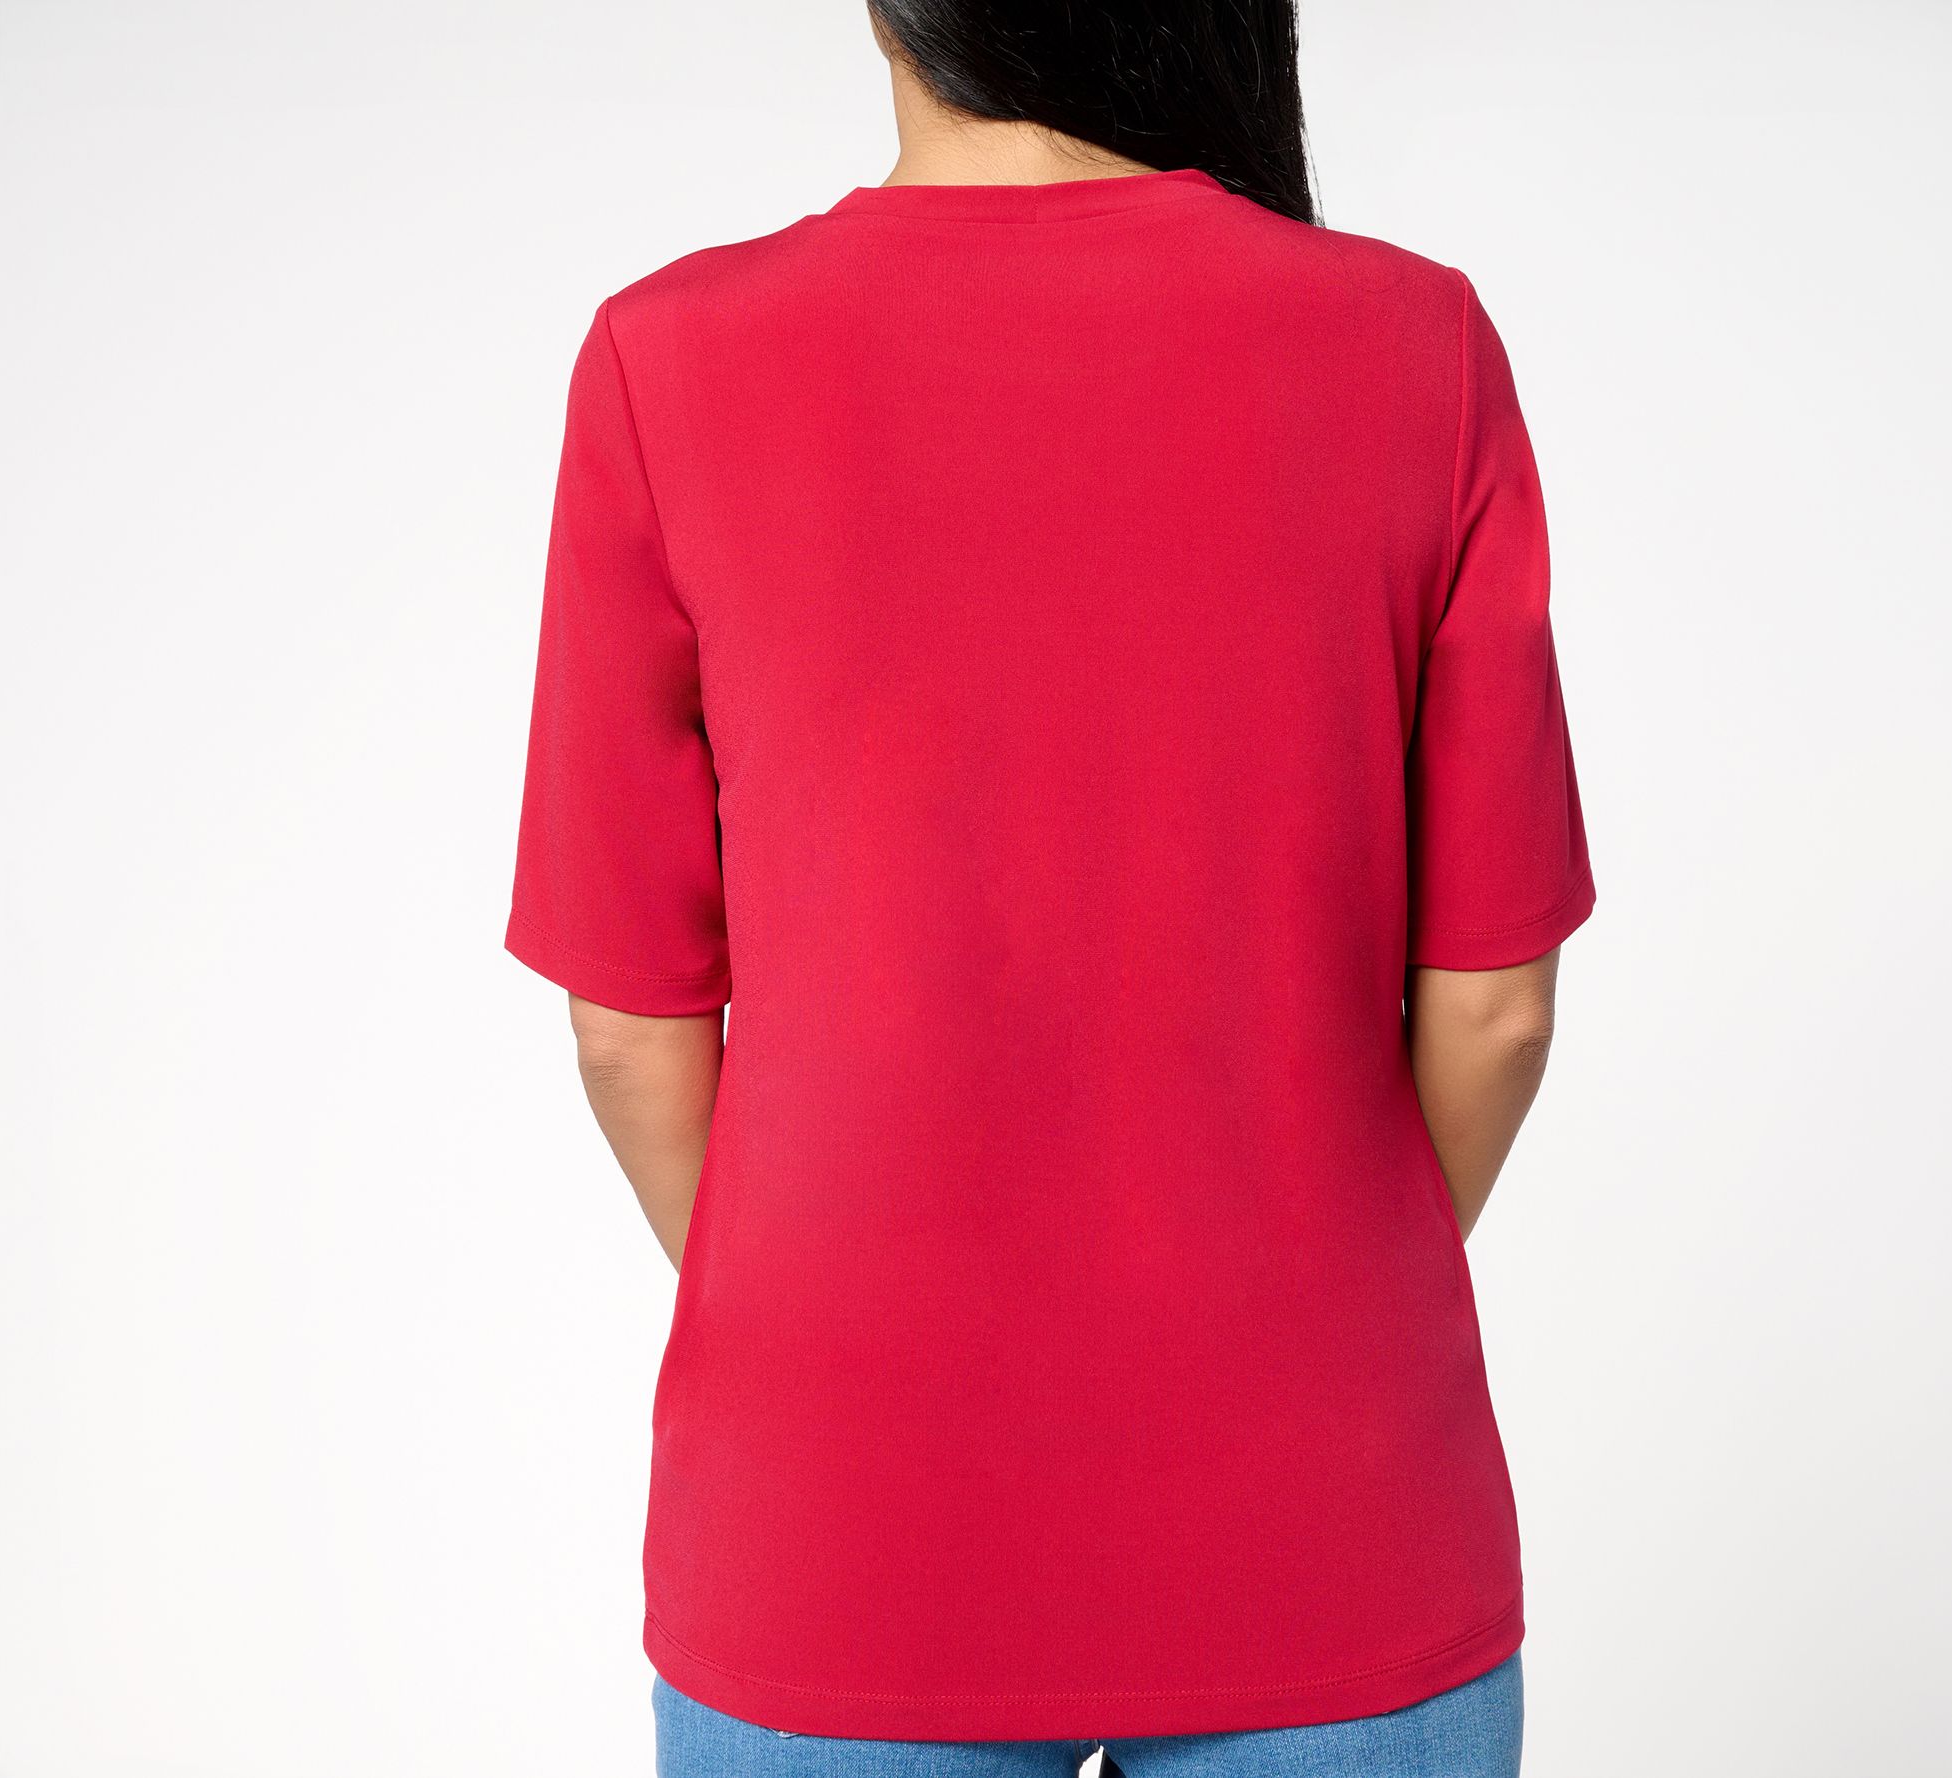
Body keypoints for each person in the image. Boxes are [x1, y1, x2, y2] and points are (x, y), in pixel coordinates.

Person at [505, 3, 1594, 1772]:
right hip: (1331, 1521)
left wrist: (835, 1318)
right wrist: (1313, 1282)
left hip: (834, 1540)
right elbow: (1498, 1006)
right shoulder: (1416, 344)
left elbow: (631, 1030)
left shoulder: (668, 359)